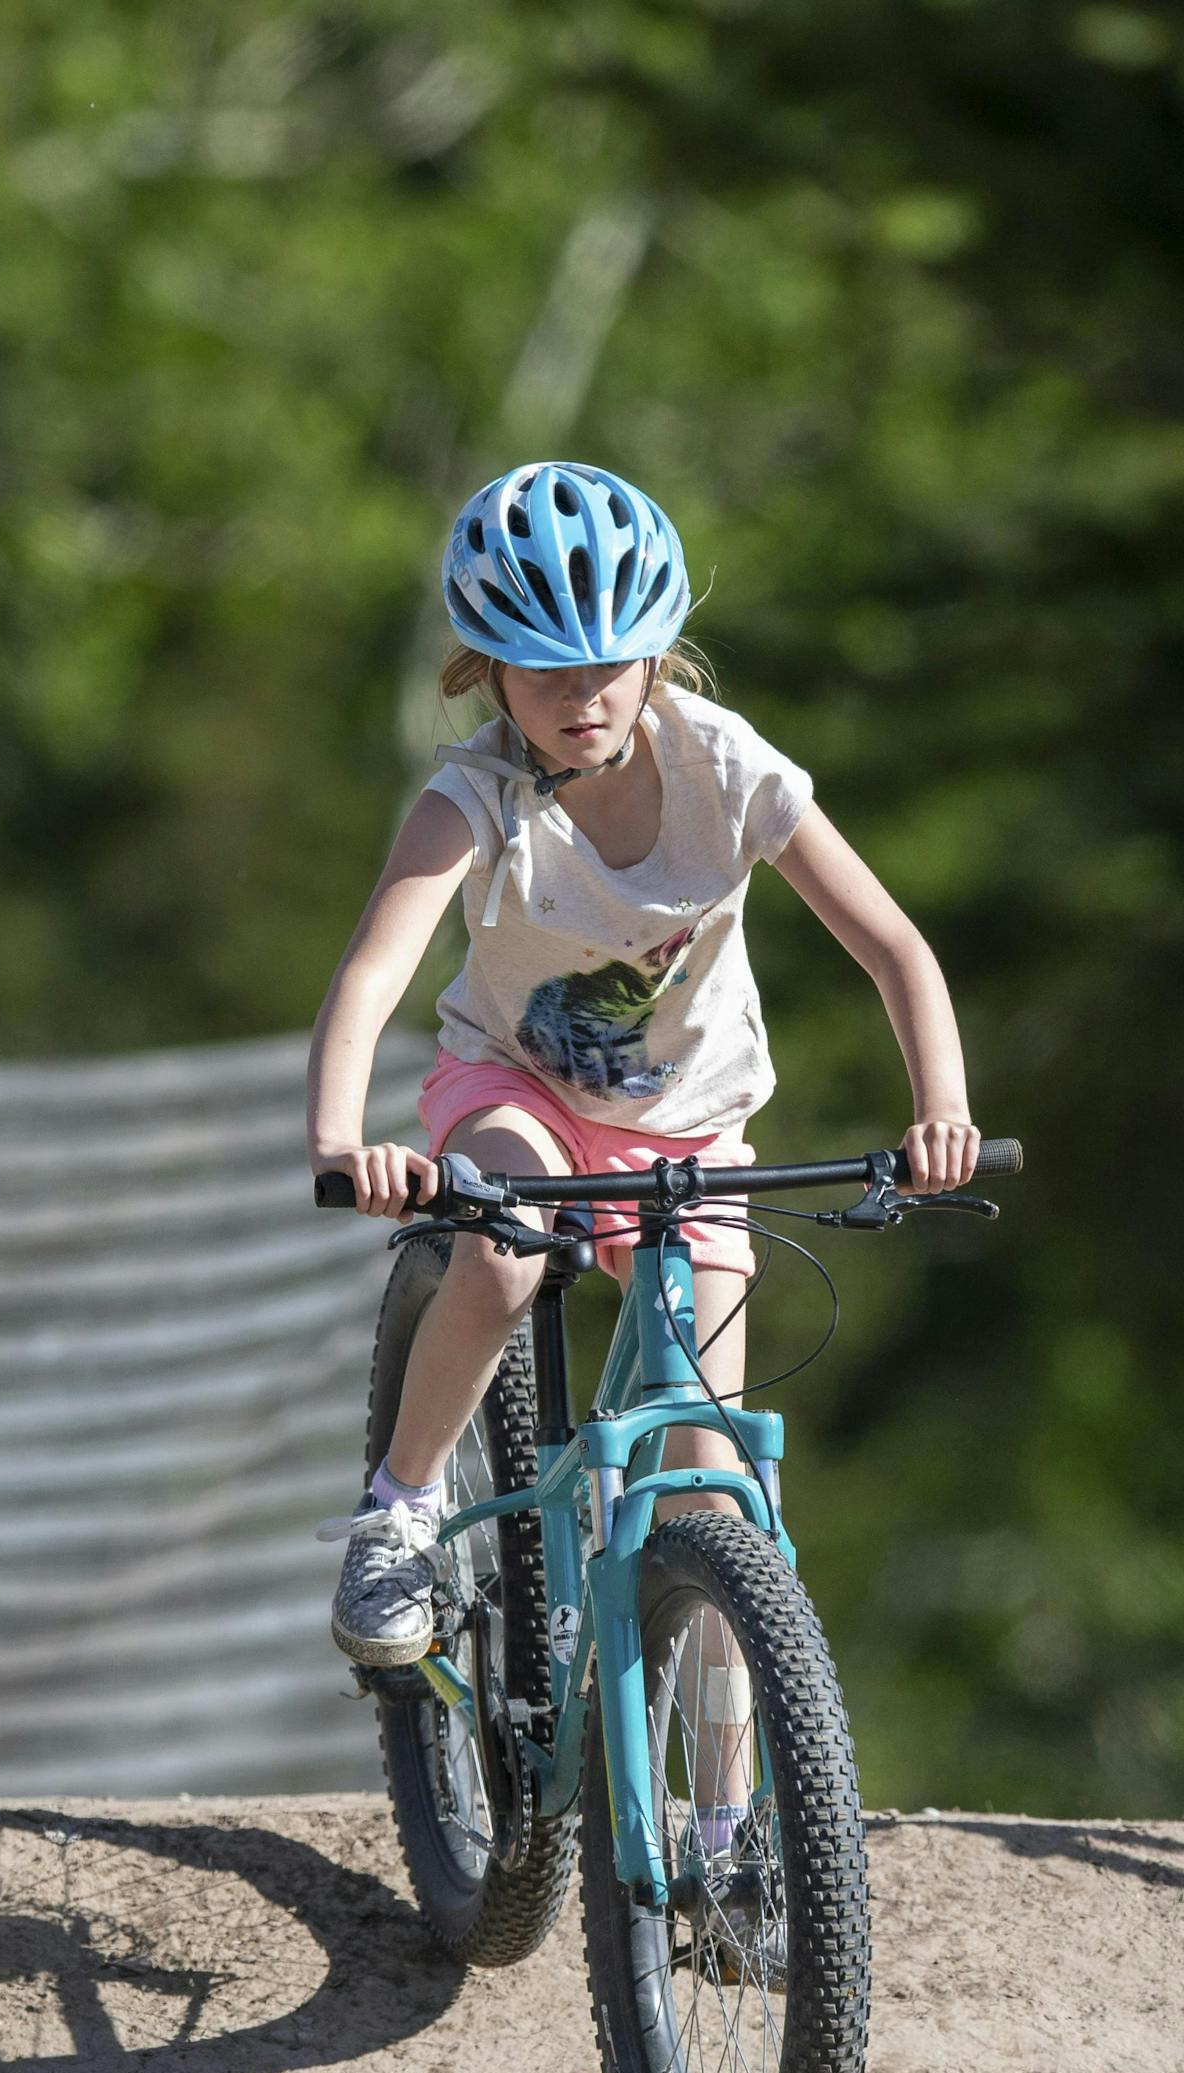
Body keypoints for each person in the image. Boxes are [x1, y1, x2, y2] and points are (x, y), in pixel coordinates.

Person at [305, 460, 979, 1669]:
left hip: (692, 1132)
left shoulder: (728, 772)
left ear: (660, 655)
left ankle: (733, 1828)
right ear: (488, 670)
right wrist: (341, 1144)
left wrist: (944, 1111)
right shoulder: (475, 797)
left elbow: (894, 946)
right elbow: (371, 975)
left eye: (611, 661)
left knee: (711, 1502)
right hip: (519, 1092)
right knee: (503, 1257)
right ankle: (399, 1513)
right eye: (544, 665)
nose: (582, 693)